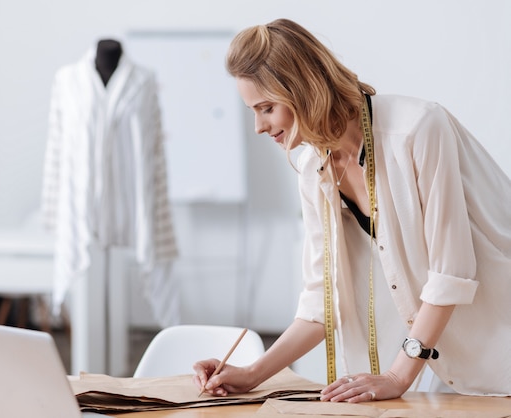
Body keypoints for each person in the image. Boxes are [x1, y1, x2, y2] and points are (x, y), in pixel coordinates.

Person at [193, 18, 511, 402]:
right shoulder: (314, 171)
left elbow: (451, 270)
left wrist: (397, 375)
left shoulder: (418, 129)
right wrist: (250, 373)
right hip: (440, 359)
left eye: (266, 108)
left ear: (301, 89)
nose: (259, 127)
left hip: (498, 342)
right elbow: (320, 301)